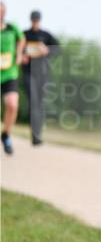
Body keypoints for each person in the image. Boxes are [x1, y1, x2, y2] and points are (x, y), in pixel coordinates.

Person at [21, 10, 60, 145]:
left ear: (40, 20)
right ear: (30, 20)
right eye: (33, 20)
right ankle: (35, 134)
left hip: (42, 73)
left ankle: (37, 134)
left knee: (39, 104)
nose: (35, 22)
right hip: (28, 72)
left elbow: (58, 48)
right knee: (33, 102)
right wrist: (21, 56)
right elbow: (16, 49)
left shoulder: (46, 35)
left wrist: (47, 50)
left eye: (37, 20)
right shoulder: (24, 35)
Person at [0, 1, 26, 155]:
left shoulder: (12, 28)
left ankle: (6, 134)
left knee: (12, 105)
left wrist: (19, 53)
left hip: (9, 73)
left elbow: (21, 40)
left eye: (3, 11)